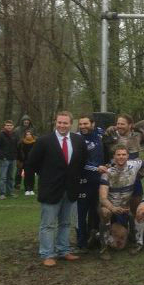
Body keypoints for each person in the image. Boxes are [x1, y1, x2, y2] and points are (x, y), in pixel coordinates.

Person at [27, 111, 87, 267]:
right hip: (51, 189)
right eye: (59, 122)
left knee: (66, 223)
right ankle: (47, 253)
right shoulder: (44, 141)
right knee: (48, 224)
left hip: (71, 189)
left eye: (65, 123)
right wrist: (45, 177)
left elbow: (81, 162)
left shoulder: (78, 141)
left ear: (70, 124)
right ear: (56, 122)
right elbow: (32, 163)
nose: (62, 125)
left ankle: (64, 250)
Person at [98, 146, 144, 260]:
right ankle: (103, 248)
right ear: (114, 157)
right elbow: (103, 198)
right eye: (118, 155)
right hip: (111, 209)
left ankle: (98, 234)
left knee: (119, 246)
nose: (121, 157)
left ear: (128, 156)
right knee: (105, 212)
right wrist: (112, 208)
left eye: (123, 154)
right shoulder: (107, 173)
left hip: (123, 210)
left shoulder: (134, 165)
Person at [75, 115, 104, 253]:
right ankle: (81, 242)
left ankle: (95, 238)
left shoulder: (99, 132)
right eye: (80, 124)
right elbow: (79, 162)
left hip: (99, 181)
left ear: (93, 124)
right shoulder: (75, 139)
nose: (82, 126)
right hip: (83, 181)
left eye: (85, 123)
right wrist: (96, 168)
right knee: (81, 213)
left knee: (96, 211)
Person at [0, 120, 18, 200]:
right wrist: (2, 156)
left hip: (12, 159)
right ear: (4, 126)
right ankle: (2, 193)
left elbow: (17, 146)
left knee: (10, 177)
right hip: (4, 159)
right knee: (3, 177)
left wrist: (16, 156)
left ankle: (10, 192)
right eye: (7, 125)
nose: (9, 127)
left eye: (10, 125)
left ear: (13, 126)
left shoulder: (14, 135)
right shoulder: (0, 135)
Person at [13, 115, 35, 189]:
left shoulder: (33, 129)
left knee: (29, 171)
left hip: (30, 153)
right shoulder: (17, 130)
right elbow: (14, 140)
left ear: (29, 121)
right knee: (19, 169)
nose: (26, 121)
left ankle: (29, 185)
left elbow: (35, 138)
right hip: (20, 152)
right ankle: (17, 184)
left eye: (27, 120)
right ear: (22, 121)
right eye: (25, 120)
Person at [17, 130, 37, 196]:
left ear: (32, 135)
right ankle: (26, 189)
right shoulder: (22, 142)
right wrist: (21, 160)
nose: (28, 135)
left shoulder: (35, 142)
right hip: (25, 161)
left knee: (32, 176)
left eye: (30, 134)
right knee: (26, 175)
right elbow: (19, 152)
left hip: (33, 161)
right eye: (27, 134)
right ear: (25, 135)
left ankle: (31, 189)